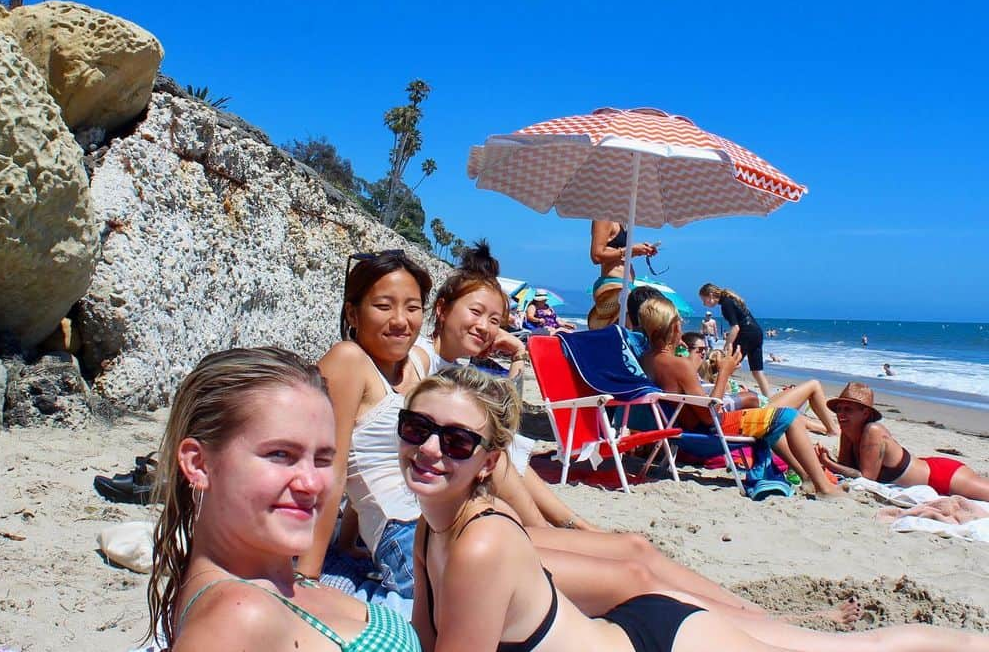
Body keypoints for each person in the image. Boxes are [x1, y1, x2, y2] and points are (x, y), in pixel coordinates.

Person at [301, 247, 807, 621]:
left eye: (411, 305)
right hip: (418, 540)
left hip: (455, 521)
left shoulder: (412, 365)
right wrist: (306, 577)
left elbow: (367, 469)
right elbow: (329, 469)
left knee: (635, 550)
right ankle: (774, 631)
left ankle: (761, 619)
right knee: (631, 578)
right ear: (352, 311)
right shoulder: (350, 362)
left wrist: (507, 345)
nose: (400, 319)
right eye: (383, 305)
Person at [404, 365, 989, 652]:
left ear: (487, 461)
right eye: (417, 427)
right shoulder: (432, 530)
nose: (430, 448)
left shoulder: (479, 541)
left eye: (455, 440)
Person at [145, 346, 422, 652]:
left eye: (322, 459)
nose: (313, 484)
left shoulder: (270, 585)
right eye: (280, 454)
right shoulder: (238, 617)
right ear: (198, 464)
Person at [639, 296, 844, 497]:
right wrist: (724, 373)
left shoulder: (646, 360)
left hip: (679, 432)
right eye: (679, 324)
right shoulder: (679, 365)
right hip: (707, 433)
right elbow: (710, 415)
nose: (682, 329)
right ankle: (823, 487)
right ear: (673, 328)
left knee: (767, 420)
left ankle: (806, 476)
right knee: (788, 417)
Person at [817, 382, 989, 500]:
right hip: (925, 467)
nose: (841, 414)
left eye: (848, 409)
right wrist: (827, 463)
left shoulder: (873, 431)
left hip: (941, 477)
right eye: (839, 409)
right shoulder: (848, 432)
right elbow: (846, 469)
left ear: (866, 413)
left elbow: (867, 479)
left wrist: (828, 462)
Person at [698, 283, 772, 397]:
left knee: (725, 367)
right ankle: (769, 400)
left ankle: (718, 394)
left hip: (747, 334)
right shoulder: (730, 299)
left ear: (711, 295)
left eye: (704, 300)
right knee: (757, 371)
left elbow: (735, 328)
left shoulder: (726, 304)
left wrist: (727, 345)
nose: (704, 304)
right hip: (756, 333)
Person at [588, 220, 658, 329]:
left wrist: (637, 251)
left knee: (629, 330)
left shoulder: (621, 222)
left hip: (624, 285)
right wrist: (630, 250)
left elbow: (616, 255)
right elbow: (596, 255)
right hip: (613, 286)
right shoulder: (604, 218)